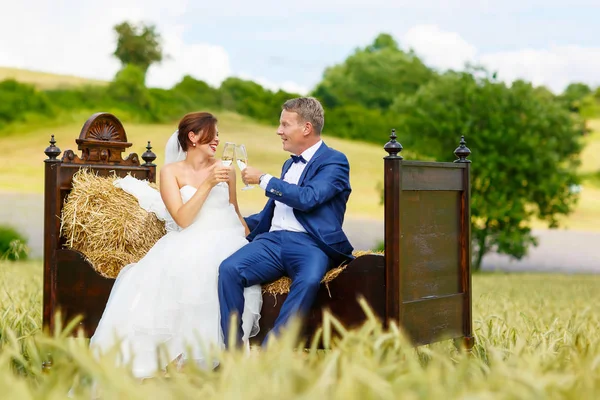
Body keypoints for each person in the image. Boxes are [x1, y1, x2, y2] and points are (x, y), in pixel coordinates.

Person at [89, 112, 262, 378]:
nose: (217, 139)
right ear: (192, 137)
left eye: (217, 134)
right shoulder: (171, 172)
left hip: (230, 239)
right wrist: (207, 184)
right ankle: (181, 364)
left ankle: (223, 361)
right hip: (192, 236)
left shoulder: (226, 171)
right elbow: (182, 219)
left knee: (230, 271)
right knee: (190, 271)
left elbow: (235, 211)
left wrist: (252, 241)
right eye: (211, 134)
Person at [218, 97, 354, 348]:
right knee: (229, 269)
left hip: (311, 244)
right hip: (271, 242)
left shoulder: (335, 161)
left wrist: (264, 180)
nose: (278, 131)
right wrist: (226, 220)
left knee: (310, 279)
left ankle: (271, 353)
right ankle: (233, 354)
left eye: (284, 124)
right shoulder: (287, 164)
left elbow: (308, 198)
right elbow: (273, 213)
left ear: (306, 128)